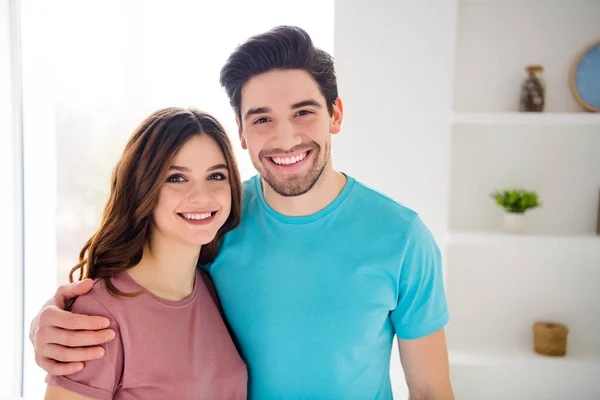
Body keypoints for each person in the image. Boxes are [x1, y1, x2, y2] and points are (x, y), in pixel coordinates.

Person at [31, 26, 454, 399]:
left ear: (336, 115)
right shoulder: (217, 222)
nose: (285, 137)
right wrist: (47, 323)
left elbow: (431, 390)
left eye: (303, 112)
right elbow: (144, 294)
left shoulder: (402, 238)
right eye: (262, 118)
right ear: (242, 133)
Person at [42, 107, 247, 399]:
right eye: (176, 178)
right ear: (143, 188)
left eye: (216, 176)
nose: (202, 196)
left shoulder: (215, 289)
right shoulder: (100, 313)